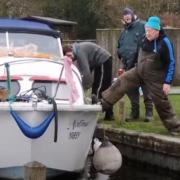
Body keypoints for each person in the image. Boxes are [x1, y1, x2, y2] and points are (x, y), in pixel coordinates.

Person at [101, 16, 180, 135]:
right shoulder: (143, 38)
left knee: (161, 102)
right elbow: (136, 54)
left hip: (155, 77)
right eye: (146, 30)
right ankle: (103, 104)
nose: (147, 33)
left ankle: (175, 127)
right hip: (139, 71)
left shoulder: (165, 42)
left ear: (157, 30)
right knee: (122, 80)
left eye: (149, 31)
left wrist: (167, 82)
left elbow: (172, 62)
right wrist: (127, 68)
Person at [117, 7, 153, 122]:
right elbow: (120, 47)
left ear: (133, 15)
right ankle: (135, 112)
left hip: (142, 64)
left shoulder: (143, 26)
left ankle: (149, 112)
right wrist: (121, 55)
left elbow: (151, 39)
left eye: (128, 14)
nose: (126, 16)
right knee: (131, 89)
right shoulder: (123, 32)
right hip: (128, 65)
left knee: (146, 87)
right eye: (124, 15)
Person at [63, 42, 114, 120]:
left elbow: (86, 73)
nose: (70, 59)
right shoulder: (76, 52)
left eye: (70, 56)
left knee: (101, 88)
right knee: (96, 88)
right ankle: (107, 114)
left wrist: (83, 88)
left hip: (104, 60)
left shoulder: (80, 52)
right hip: (97, 63)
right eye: (67, 57)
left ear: (72, 50)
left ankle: (97, 114)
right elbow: (81, 72)